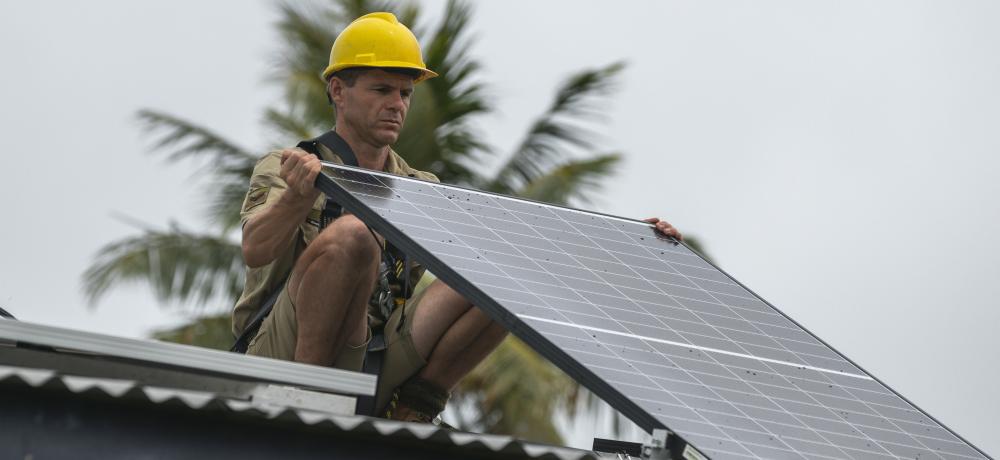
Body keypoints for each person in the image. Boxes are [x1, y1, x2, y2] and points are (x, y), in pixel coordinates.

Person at [231, 12, 683, 423]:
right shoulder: (292, 163)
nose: (397, 105)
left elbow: (494, 263)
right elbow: (256, 250)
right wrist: (295, 196)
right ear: (338, 91)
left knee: (510, 259)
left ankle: (417, 404)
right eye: (382, 90)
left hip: (372, 351)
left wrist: (635, 242)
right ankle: (306, 402)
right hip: (284, 353)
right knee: (351, 237)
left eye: (405, 93)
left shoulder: (419, 187)